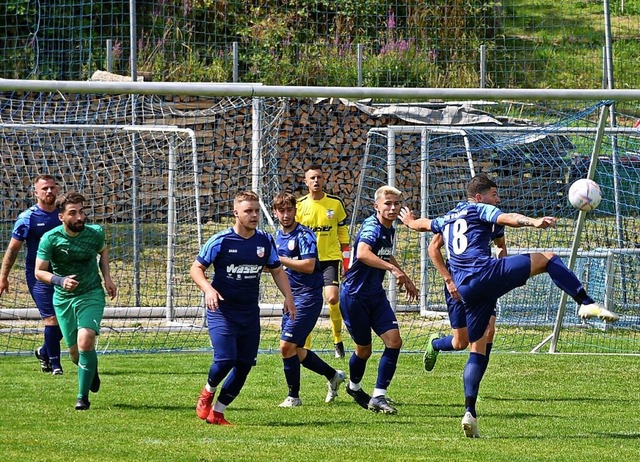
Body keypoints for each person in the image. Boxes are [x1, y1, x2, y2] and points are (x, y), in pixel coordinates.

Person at [399, 173, 619, 438]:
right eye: (494, 195)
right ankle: (585, 303)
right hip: (481, 275)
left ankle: (470, 411)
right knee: (548, 258)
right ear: (480, 197)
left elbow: (425, 225)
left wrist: (410, 222)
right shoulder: (480, 209)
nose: (498, 200)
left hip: (468, 288)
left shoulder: (448, 217)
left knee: (477, 344)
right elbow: (509, 218)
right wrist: (534, 222)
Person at [191, 191, 296, 425]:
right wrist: (209, 289)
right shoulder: (221, 241)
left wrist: (288, 297)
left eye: (257, 210)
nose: (254, 215)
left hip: (249, 312)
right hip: (222, 310)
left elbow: (277, 270)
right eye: (248, 211)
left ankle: (218, 413)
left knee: (245, 364)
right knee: (226, 359)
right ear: (236, 213)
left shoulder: (264, 241)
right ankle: (207, 392)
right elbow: (196, 269)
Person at [35, 191, 117, 410]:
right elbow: (39, 272)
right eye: (73, 213)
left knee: (85, 340)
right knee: (73, 353)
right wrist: (60, 280)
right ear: (61, 216)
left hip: (91, 293)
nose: (80, 217)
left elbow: (103, 251)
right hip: (63, 299)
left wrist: (107, 278)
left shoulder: (95, 233)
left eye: (82, 212)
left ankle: (82, 398)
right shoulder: (50, 239)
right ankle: (91, 371)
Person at [340, 186, 418, 415]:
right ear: (377, 206)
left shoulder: (388, 228)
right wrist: (394, 270)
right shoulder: (372, 227)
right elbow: (364, 253)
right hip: (355, 296)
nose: (393, 208)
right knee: (364, 350)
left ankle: (378, 396)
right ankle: (354, 387)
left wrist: (404, 276)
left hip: (375, 295)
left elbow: (384, 252)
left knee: (394, 341)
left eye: (396, 203)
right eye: (388, 204)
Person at [272, 192, 346, 407]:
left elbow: (309, 265)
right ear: (276, 213)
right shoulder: (278, 237)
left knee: (286, 347)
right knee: (297, 350)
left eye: (289, 210)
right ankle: (333, 375)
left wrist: (278, 260)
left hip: (308, 296)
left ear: (296, 211)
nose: (286, 215)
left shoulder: (304, 235)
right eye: (281, 211)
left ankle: (293, 397)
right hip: (291, 298)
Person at [0, 174, 64, 375]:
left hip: (63, 275)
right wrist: (3, 276)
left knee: (65, 322)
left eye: (52, 188)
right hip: (38, 276)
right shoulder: (27, 218)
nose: (49, 192)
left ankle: (43, 351)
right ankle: (55, 365)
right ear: (35, 192)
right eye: (44, 188)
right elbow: (12, 250)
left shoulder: (63, 215)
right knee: (51, 320)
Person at [422, 224, 505, 372]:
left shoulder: (494, 219)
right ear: (479, 198)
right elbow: (433, 248)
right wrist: (448, 280)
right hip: (458, 283)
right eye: (494, 198)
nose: (497, 199)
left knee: (487, 332)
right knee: (460, 343)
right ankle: (436, 344)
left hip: (483, 282)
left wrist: (501, 272)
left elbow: (500, 244)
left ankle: (474, 390)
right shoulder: (456, 219)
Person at [296, 164, 350, 358]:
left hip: (329, 259)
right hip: (307, 260)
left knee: (333, 298)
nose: (316, 181)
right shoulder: (300, 205)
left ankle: (338, 340)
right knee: (309, 302)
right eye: (312, 178)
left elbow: (343, 232)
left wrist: (346, 260)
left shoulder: (335, 204)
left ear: (324, 179)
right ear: (306, 182)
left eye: (319, 177)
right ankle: (307, 346)